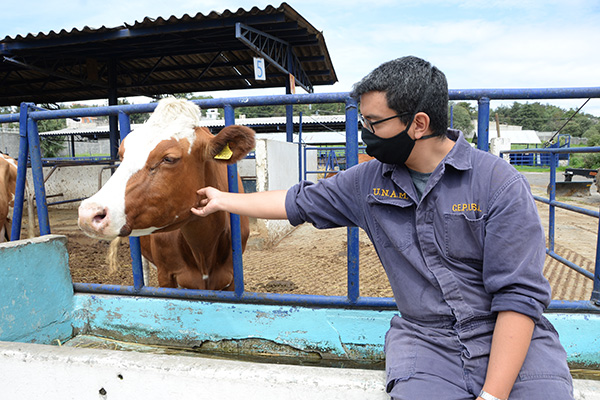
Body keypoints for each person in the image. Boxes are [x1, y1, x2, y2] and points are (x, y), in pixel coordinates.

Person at [191, 56, 574, 400]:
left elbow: (518, 297)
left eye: (373, 123)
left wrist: (493, 395)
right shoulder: (367, 181)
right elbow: (297, 201)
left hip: (512, 339)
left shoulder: (499, 184)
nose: (365, 133)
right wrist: (224, 200)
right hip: (428, 340)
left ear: (418, 124)